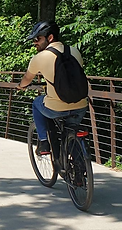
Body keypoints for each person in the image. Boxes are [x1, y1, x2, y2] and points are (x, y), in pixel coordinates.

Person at [15, 20, 88, 155]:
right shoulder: (74, 51)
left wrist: (20, 86)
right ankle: (79, 170)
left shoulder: (40, 57)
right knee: (72, 131)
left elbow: (26, 79)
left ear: (50, 38)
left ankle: (44, 142)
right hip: (81, 105)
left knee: (37, 103)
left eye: (38, 39)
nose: (35, 43)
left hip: (56, 108)